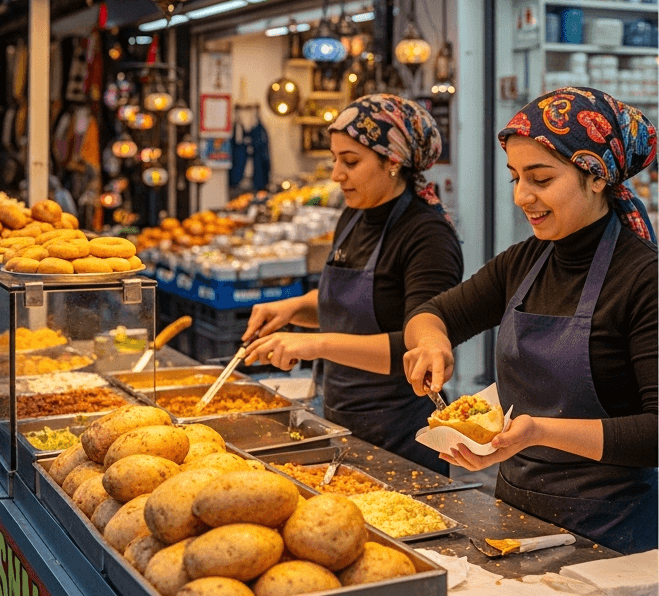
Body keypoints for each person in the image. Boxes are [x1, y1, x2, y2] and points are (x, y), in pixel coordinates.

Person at [403, 87, 656, 554]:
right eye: (515, 177)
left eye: (540, 178)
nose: (523, 196)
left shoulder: (644, 278)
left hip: (612, 536)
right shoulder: (525, 262)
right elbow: (433, 313)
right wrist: (431, 344)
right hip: (515, 520)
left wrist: (539, 431)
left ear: (596, 176)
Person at [240, 94, 462, 474]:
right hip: (341, 417)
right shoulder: (354, 217)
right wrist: (294, 308)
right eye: (335, 159)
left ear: (393, 161)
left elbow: (419, 348)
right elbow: (351, 305)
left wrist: (316, 344)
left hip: (401, 435)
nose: (336, 174)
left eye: (351, 161)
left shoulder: (427, 236)